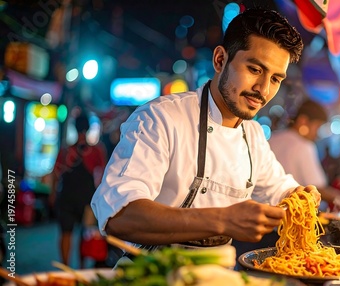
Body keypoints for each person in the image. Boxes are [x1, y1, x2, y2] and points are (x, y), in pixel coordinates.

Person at [91, 8, 320, 259]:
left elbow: (280, 188)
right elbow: (119, 216)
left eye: (276, 79)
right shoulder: (161, 118)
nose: (263, 89)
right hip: (149, 271)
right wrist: (222, 220)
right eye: (255, 69)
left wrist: (300, 195)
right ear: (220, 60)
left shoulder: (253, 136)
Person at [268, 99, 340, 210]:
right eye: (317, 127)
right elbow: (318, 188)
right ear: (303, 121)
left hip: (266, 209)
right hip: (290, 214)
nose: (317, 134)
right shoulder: (304, 146)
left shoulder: (273, 139)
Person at [50, 112, 107, 267]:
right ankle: (81, 269)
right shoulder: (96, 150)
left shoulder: (66, 150)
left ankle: (66, 267)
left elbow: (55, 174)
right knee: (84, 234)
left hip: (66, 197)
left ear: (75, 128)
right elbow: (103, 175)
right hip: (87, 199)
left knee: (65, 233)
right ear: (88, 129)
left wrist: (53, 194)